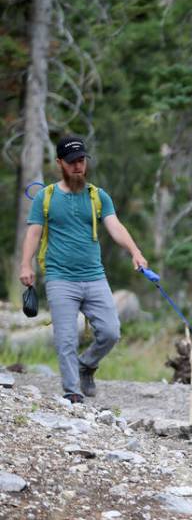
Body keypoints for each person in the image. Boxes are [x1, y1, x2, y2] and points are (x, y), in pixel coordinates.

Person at [19, 136, 149, 404]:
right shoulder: (46, 197)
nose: (78, 166)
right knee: (65, 339)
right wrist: (25, 264)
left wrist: (135, 251)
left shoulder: (98, 196)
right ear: (59, 164)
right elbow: (33, 233)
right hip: (59, 278)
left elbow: (115, 227)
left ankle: (86, 365)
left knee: (111, 332)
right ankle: (72, 391)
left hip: (94, 276)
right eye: (72, 162)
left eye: (81, 161)